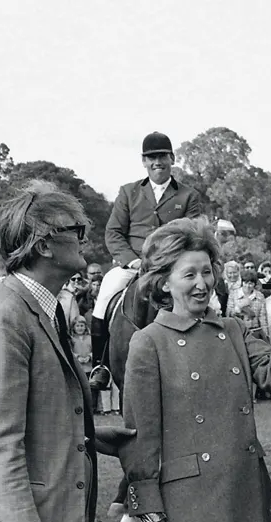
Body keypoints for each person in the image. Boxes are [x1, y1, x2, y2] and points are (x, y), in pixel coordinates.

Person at [0, 180, 136, 522]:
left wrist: (87, 435)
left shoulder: (37, 308)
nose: (84, 237)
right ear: (44, 245)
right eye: (76, 229)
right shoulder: (5, 319)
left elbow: (30, 412)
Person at [119, 217, 271, 522]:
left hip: (247, 492)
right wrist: (149, 517)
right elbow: (140, 443)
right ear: (164, 282)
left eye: (206, 271)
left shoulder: (233, 330)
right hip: (189, 504)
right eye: (189, 274)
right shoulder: (149, 341)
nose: (202, 283)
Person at [90, 132, 202, 367]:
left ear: (171, 158)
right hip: (132, 266)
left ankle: (208, 358)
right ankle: (101, 365)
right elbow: (113, 233)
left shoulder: (188, 195)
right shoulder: (128, 192)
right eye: (151, 157)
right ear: (144, 161)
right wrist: (133, 261)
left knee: (210, 303)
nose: (157, 162)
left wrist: (171, 263)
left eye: (161, 156)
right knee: (104, 297)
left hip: (171, 268)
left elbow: (194, 235)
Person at [230, 270, 270, 340]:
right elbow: (229, 314)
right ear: (242, 282)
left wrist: (266, 335)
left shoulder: (260, 296)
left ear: (254, 284)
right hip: (238, 332)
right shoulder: (234, 294)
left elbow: (263, 318)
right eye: (245, 283)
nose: (247, 286)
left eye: (250, 283)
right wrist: (238, 308)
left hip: (254, 332)